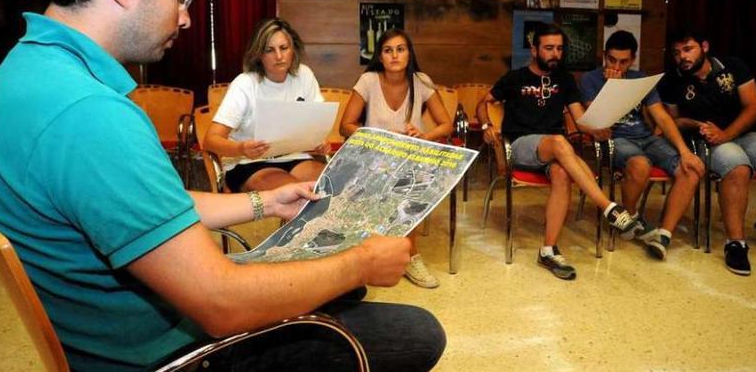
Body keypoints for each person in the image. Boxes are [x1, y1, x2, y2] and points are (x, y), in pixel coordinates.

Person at [0, 0, 445, 370]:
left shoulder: (24, 75)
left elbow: (142, 206)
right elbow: (222, 304)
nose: (187, 17)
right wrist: (362, 260)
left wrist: (264, 201)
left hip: (124, 327)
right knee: (414, 330)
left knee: (337, 281)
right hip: (176, 353)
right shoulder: (87, 114)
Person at [475, 23, 639, 280]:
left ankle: (548, 250)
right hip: (520, 146)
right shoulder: (515, 78)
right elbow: (483, 103)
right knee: (560, 142)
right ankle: (608, 207)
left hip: (553, 152)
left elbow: (581, 119)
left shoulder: (564, 80)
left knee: (562, 173)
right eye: (549, 48)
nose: (555, 54)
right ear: (534, 49)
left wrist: (599, 123)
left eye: (559, 49)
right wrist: (486, 125)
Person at [661, 29, 756, 276]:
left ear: (704, 47)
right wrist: (697, 125)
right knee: (738, 168)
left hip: (745, 134)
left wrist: (727, 133)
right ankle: (736, 243)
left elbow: (754, 107)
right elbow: (673, 122)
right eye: (676, 53)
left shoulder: (732, 66)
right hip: (707, 142)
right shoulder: (672, 80)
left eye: (688, 49)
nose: (682, 57)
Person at [340, 29, 453, 289]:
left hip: (409, 154)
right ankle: (373, 255)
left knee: (411, 180)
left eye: (401, 49)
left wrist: (425, 135)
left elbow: (445, 124)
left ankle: (410, 256)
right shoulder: (368, 80)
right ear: (380, 56)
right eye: (388, 50)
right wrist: (376, 135)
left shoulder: (421, 80)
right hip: (373, 155)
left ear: (409, 53)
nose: (395, 55)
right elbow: (345, 126)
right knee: (390, 181)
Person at [580, 31, 705, 260]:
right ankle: (631, 216)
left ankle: (663, 236)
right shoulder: (590, 79)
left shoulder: (640, 78)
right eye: (612, 59)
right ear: (605, 56)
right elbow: (597, 122)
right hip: (616, 138)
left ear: (633, 59)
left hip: (646, 137)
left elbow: (662, 117)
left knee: (691, 169)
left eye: (624, 61)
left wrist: (685, 152)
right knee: (640, 165)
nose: (617, 65)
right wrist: (612, 89)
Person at [204, 18, 328, 193]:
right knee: (295, 194)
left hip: (296, 156)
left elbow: (315, 125)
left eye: (284, 48)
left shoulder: (304, 75)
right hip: (248, 163)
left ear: (293, 49)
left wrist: (319, 143)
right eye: (270, 50)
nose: (279, 56)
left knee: (334, 186)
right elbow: (210, 141)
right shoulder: (245, 84)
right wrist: (241, 148)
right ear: (259, 55)